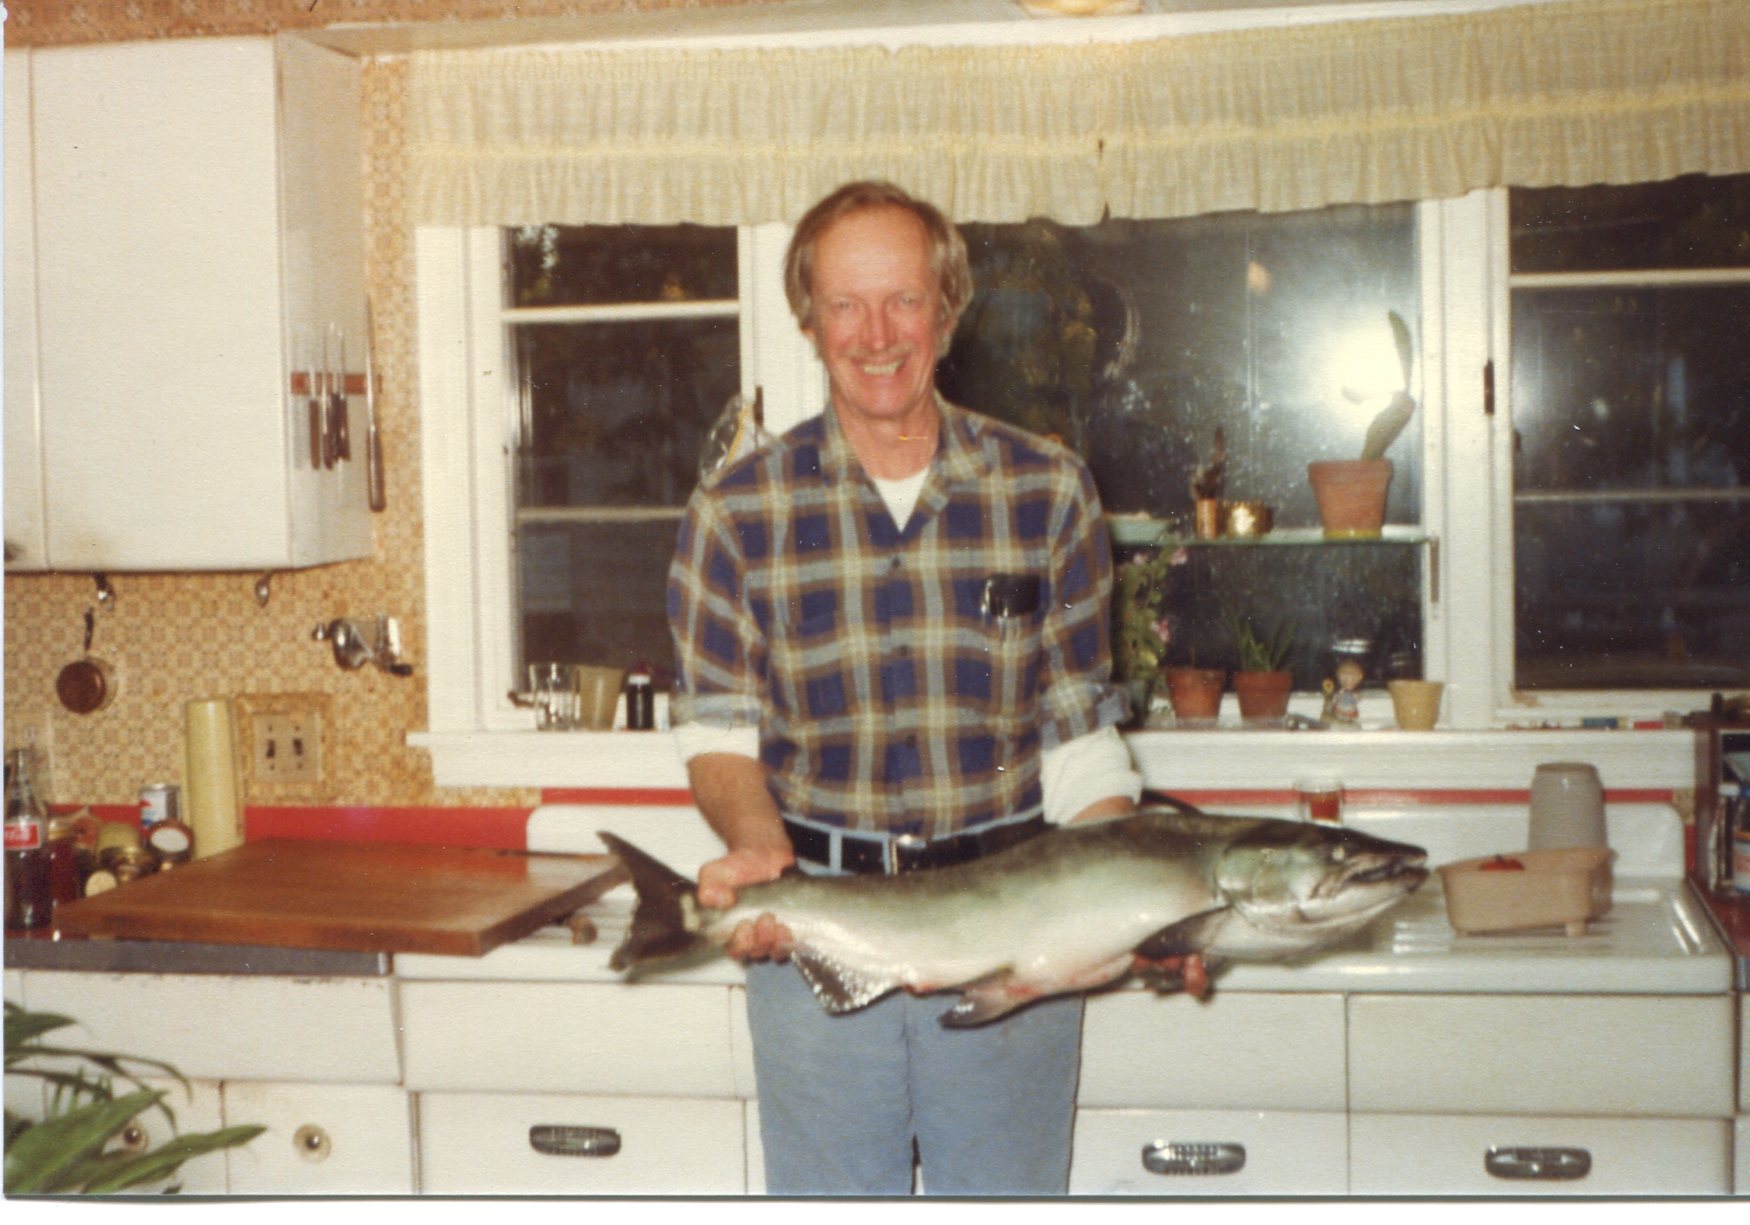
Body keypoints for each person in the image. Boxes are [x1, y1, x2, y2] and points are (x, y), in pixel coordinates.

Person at [666, 180, 1155, 1196]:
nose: (876, 333)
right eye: (846, 304)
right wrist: (758, 851)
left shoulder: (1046, 488)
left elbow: (1076, 738)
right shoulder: (736, 509)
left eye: (903, 300)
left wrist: (1125, 901)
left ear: (947, 307)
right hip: (818, 934)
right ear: (808, 319)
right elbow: (719, 733)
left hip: (1009, 926)